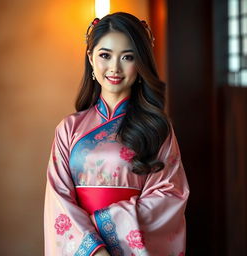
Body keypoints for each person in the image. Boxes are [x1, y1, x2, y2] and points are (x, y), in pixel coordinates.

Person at [44, 12, 189, 256]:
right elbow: (58, 199)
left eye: (128, 57)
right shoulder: (68, 129)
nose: (114, 68)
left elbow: (169, 197)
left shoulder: (157, 129)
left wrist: (105, 226)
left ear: (140, 63)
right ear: (90, 58)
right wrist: (93, 248)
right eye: (105, 55)